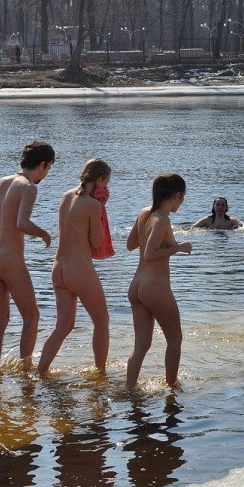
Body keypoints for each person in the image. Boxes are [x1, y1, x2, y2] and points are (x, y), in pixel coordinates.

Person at [0, 141, 55, 369]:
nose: (47, 173)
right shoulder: (28, 187)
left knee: (0, 320)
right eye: (49, 168)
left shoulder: (2, 182)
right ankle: (26, 372)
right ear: (42, 164)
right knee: (31, 316)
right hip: (9, 260)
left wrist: (3, 240)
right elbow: (22, 223)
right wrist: (43, 233)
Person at [37, 159, 112, 374]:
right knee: (102, 322)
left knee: (62, 326)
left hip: (59, 268)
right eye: (106, 182)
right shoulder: (93, 205)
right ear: (99, 180)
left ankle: (41, 371)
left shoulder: (66, 195)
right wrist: (101, 208)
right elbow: (97, 241)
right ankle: (100, 374)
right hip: (79, 270)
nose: (107, 186)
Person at [126, 174, 192, 389]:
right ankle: (172, 388)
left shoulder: (144, 213)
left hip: (137, 285)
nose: (182, 202)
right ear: (177, 195)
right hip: (154, 287)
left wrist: (154, 240)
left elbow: (130, 244)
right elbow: (150, 254)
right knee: (175, 339)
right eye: (182, 198)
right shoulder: (162, 220)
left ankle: (129, 389)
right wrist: (178, 247)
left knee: (141, 345)